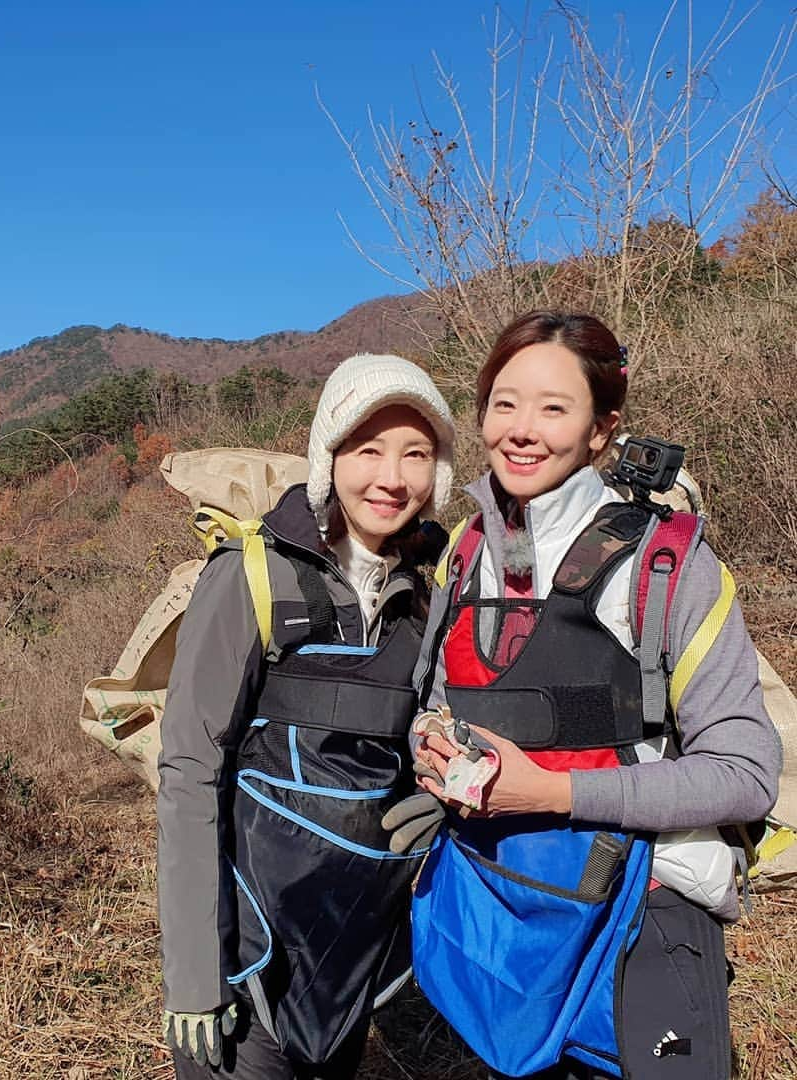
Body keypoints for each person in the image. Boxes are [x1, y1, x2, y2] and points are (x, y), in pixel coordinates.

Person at [408, 311, 781, 1080]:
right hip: (503, 902)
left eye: (554, 407)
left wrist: (549, 790)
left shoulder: (666, 565)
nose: (521, 429)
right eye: (503, 403)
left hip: (640, 909)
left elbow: (745, 772)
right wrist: (430, 746)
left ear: (603, 430)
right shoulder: (465, 554)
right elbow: (440, 702)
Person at [157, 353, 456, 1079]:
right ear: (329, 456)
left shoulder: (433, 591)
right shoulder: (254, 574)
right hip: (247, 961)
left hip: (351, 952)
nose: (392, 476)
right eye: (367, 449)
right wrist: (195, 976)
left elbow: (439, 726)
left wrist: (446, 785)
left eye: (416, 453)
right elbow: (190, 770)